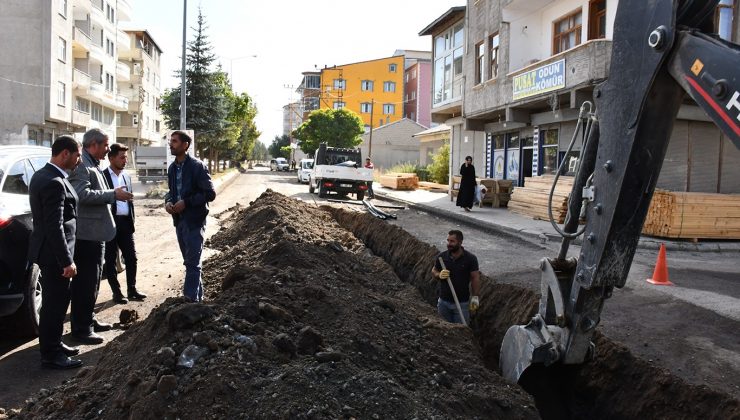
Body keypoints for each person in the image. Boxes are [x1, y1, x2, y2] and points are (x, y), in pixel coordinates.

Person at [68, 128, 134, 344]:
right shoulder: (83, 166)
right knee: (85, 283)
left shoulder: (93, 164)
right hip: (86, 236)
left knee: (94, 281)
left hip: (97, 234)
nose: (108, 150)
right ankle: (81, 329)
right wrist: (112, 194)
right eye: (106, 145)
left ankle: (89, 320)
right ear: (94, 145)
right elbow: (80, 194)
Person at [28, 136, 83, 369]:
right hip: (55, 255)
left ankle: (55, 343)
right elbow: (54, 225)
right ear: (65, 154)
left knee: (56, 302)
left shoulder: (42, 175)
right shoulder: (54, 181)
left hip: (49, 253)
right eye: (77, 155)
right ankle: (51, 354)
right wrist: (66, 261)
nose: (79, 160)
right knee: (54, 305)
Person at [165, 130, 216, 302]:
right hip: (179, 221)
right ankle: (198, 301)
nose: (171, 144)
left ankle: (189, 301)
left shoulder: (197, 166)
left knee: (192, 263)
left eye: (174, 141)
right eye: (170, 141)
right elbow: (171, 192)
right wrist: (168, 202)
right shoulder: (172, 168)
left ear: (185, 145)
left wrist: (186, 202)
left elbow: (210, 194)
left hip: (194, 221)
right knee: (190, 262)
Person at [102, 144, 146, 304]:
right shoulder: (103, 176)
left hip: (125, 223)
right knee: (111, 259)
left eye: (126, 157)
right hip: (109, 223)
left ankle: (132, 289)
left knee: (131, 258)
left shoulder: (127, 176)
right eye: (122, 157)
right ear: (111, 158)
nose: (125, 160)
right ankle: (117, 293)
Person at [431, 230, 481, 324]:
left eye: (452, 241)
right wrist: (439, 274)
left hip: (462, 304)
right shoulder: (442, 257)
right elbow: (434, 270)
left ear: (460, 242)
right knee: (444, 331)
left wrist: (475, 298)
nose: (449, 244)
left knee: (462, 333)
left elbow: (475, 278)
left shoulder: (470, 259)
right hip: (443, 303)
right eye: (448, 240)